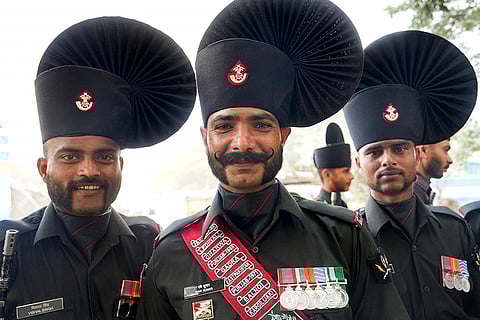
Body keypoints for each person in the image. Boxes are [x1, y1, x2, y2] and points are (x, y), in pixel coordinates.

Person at [139, 0, 411, 319]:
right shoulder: (172, 250)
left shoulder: (343, 236)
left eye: (261, 124)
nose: (242, 142)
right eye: (224, 126)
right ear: (205, 138)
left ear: (283, 135)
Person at [0, 17, 196, 320]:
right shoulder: (8, 250)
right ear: (43, 168)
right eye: (70, 157)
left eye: (104, 157)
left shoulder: (152, 245)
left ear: (120, 165)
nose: (88, 170)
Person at [344, 30, 480, 320]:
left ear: (417, 154)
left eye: (399, 148)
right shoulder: (347, 240)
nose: (388, 160)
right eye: (374, 152)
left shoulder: (455, 230)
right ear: (359, 162)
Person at [313, 122, 353, 208]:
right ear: (327, 174)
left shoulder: (343, 206)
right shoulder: (315, 211)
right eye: (346, 171)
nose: (352, 176)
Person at [414, 139, 453, 204]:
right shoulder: (411, 195)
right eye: (445, 150)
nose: (450, 160)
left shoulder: (419, 191)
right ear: (423, 151)